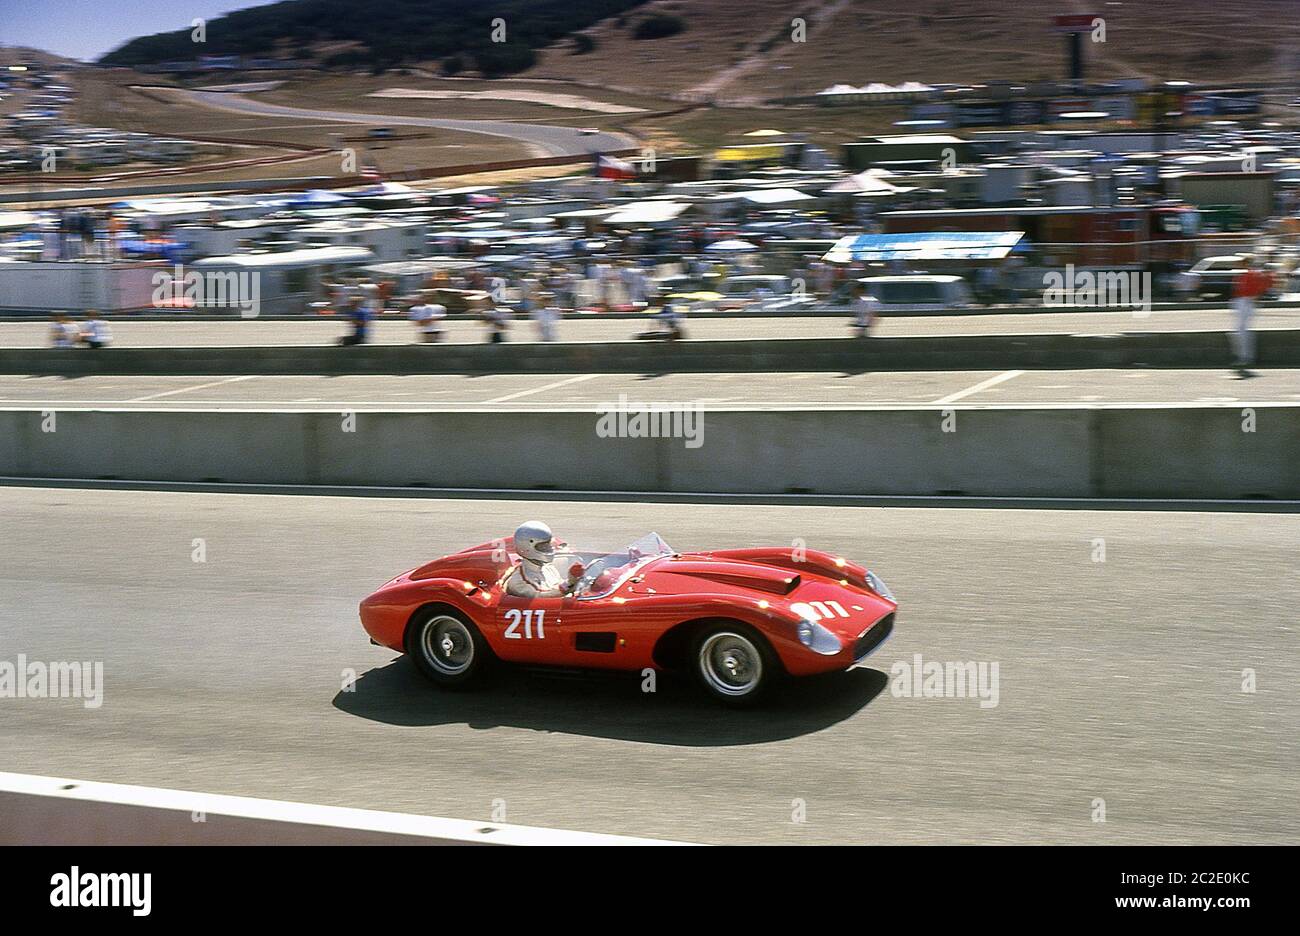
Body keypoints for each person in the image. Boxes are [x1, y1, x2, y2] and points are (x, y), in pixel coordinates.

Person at [505, 521, 580, 599]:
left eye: (548, 544)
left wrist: (576, 581)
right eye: (543, 546)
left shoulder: (549, 568)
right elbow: (541, 598)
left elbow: (561, 588)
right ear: (527, 547)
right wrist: (571, 582)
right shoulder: (518, 581)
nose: (548, 548)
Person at [1230, 255, 1273, 376]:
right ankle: (1245, 357)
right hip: (1241, 301)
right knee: (1239, 331)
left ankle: (1245, 357)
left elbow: (1264, 285)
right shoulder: (1243, 274)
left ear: (1245, 263)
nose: (1238, 264)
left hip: (1246, 301)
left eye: (1241, 262)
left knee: (1241, 330)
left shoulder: (1252, 273)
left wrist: (1255, 297)